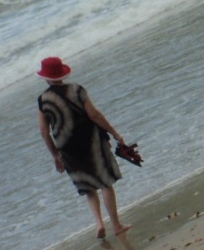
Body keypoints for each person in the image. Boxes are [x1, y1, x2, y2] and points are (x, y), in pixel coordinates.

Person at [36, 56, 133, 239]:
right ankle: (116, 225)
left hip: (67, 147)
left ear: (46, 77)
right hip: (91, 140)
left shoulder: (43, 100)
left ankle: (99, 223)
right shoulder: (77, 90)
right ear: (62, 74)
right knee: (105, 182)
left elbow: (44, 132)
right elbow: (95, 115)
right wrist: (115, 134)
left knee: (88, 186)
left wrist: (55, 155)